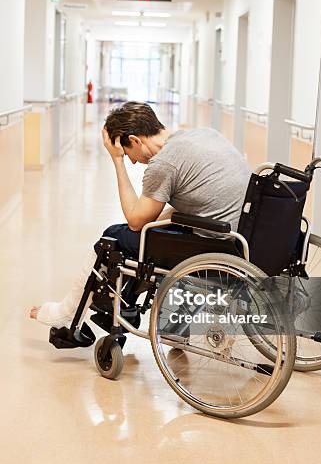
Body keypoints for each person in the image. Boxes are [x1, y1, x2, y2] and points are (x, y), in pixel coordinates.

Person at [30, 101, 252, 327]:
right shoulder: (203, 134)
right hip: (240, 237)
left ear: (135, 140)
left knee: (114, 237)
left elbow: (136, 222)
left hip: (212, 245)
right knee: (146, 232)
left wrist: (117, 162)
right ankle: (130, 308)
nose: (133, 161)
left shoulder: (165, 163)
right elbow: (200, 200)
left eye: (128, 154)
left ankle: (67, 313)